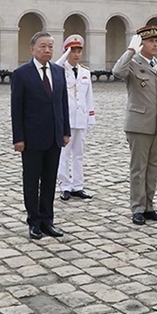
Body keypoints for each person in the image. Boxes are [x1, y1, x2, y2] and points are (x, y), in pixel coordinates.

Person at [11, 32, 71, 240]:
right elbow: (16, 109)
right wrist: (18, 138)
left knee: (49, 181)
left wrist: (66, 131)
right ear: (32, 49)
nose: (47, 50)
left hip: (54, 136)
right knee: (31, 181)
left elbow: (63, 104)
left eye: (50, 47)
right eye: (43, 46)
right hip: (32, 138)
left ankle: (48, 220)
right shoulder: (22, 74)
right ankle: (33, 221)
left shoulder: (58, 72)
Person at [113, 25, 157, 226]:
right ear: (141, 43)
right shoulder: (133, 64)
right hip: (139, 125)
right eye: (150, 41)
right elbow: (117, 71)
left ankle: (149, 206)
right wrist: (131, 50)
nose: (155, 44)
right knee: (138, 169)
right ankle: (137, 207)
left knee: (154, 167)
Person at [56, 34, 95, 201]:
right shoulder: (59, 70)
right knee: (64, 154)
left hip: (80, 118)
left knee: (79, 154)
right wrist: (64, 57)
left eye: (79, 51)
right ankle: (64, 185)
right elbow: (54, 66)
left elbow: (89, 97)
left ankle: (78, 185)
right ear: (66, 52)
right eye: (73, 51)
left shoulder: (85, 72)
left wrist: (90, 117)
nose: (77, 54)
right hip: (66, 119)